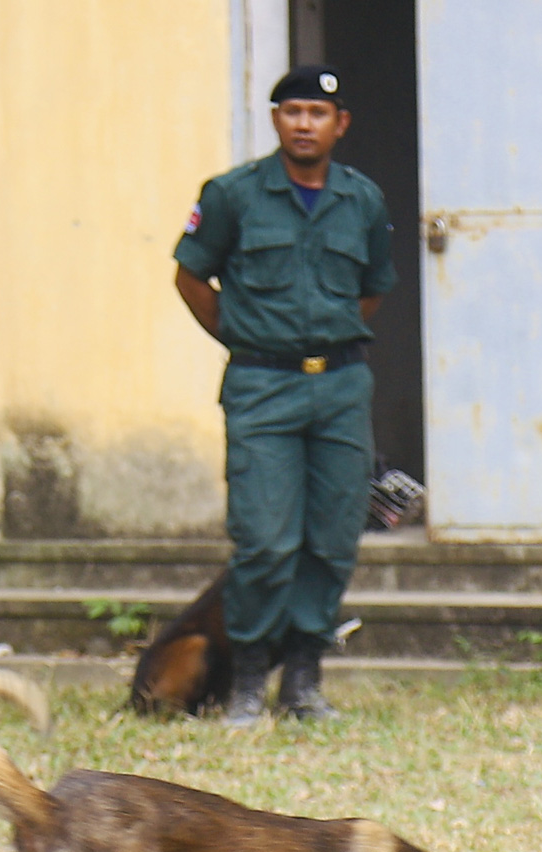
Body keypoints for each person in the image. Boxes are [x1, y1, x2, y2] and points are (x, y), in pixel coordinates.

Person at [172, 64, 396, 725]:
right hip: (261, 385)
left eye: (318, 114)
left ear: (340, 124)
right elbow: (190, 278)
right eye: (292, 111)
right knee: (265, 540)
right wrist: (251, 339)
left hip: (340, 387)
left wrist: (322, 342)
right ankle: (247, 680)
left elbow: (373, 288)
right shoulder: (232, 195)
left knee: (331, 539)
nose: (305, 123)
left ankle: (303, 678)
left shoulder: (363, 201)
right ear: (276, 121)